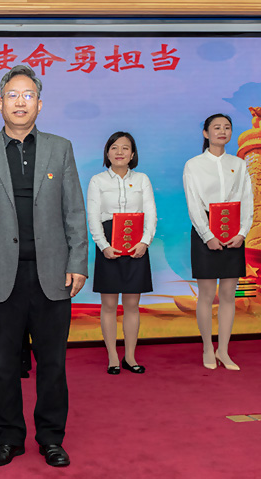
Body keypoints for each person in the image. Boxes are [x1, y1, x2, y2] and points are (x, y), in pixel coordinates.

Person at [0, 64, 88, 469]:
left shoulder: (59, 148)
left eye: (27, 95)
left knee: (53, 364)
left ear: (39, 104)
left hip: (52, 274)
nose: (20, 102)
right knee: (2, 364)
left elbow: (74, 211)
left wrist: (78, 262)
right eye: (12, 95)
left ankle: (51, 439)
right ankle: (8, 438)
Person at [183, 113, 253, 371]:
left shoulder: (239, 164)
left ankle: (223, 349)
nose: (222, 131)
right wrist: (208, 236)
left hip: (234, 232)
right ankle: (207, 347)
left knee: (228, 295)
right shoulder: (194, 165)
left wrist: (242, 232)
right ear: (206, 133)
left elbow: (247, 199)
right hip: (206, 230)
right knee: (206, 294)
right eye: (216, 127)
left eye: (227, 127)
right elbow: (193, 203)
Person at [87, 132, 156, 375]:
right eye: (114, 147)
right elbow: (93, 216)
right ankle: (113, 357)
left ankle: (130, 357)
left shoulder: (142, 179)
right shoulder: (97, 181)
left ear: (133, 154)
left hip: (137, 243)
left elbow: (151, 213)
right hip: (108, 242)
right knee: (108, 304)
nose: (120, 152)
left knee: (132, 304)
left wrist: (145, 242)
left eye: (125, 148)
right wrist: (103, 245)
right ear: (107, 152)